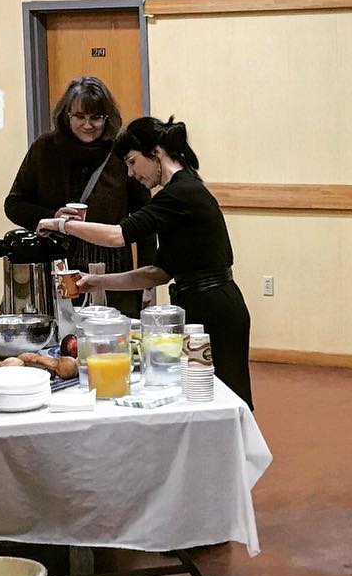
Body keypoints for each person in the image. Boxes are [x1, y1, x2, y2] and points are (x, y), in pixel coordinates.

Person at [43, 116, 253, 408]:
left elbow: (117, 235)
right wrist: (97, 282)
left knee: (226, 398)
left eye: (132, 162)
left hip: (216, 307)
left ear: (155, 152)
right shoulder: (177, 192)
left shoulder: (181, 193)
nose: (131, 173)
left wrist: (62, 225)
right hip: (200, 303)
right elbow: (157, 273)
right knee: (199, 396)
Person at [5, 75, 150, 316]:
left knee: (112, 335)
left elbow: (145, 222)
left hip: (112, 270)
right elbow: (14, 204)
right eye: (80, 117)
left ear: (107, 118)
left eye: (96, 117)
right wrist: (54, 218)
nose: (88, 125)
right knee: (61, 331)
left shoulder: (120, 153)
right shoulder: (45, 148)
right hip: (57, 264)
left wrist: (146, 282)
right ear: (67, 115)